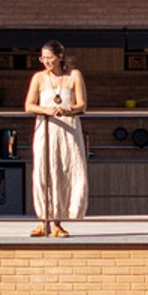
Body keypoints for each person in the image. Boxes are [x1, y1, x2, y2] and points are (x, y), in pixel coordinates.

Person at [24, 40, 89, 237]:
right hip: (46, 128)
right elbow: (29, 105)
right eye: (43, 58)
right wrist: (47, 111)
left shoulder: (74, 76)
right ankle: (44, 219)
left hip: (68, 129)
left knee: (66, 172)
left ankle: (59, 222)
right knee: (44, 172)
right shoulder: (39, 78)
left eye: (50, 58)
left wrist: (68, 109)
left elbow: (82, 105)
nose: (46, 62)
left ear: (60, 57)